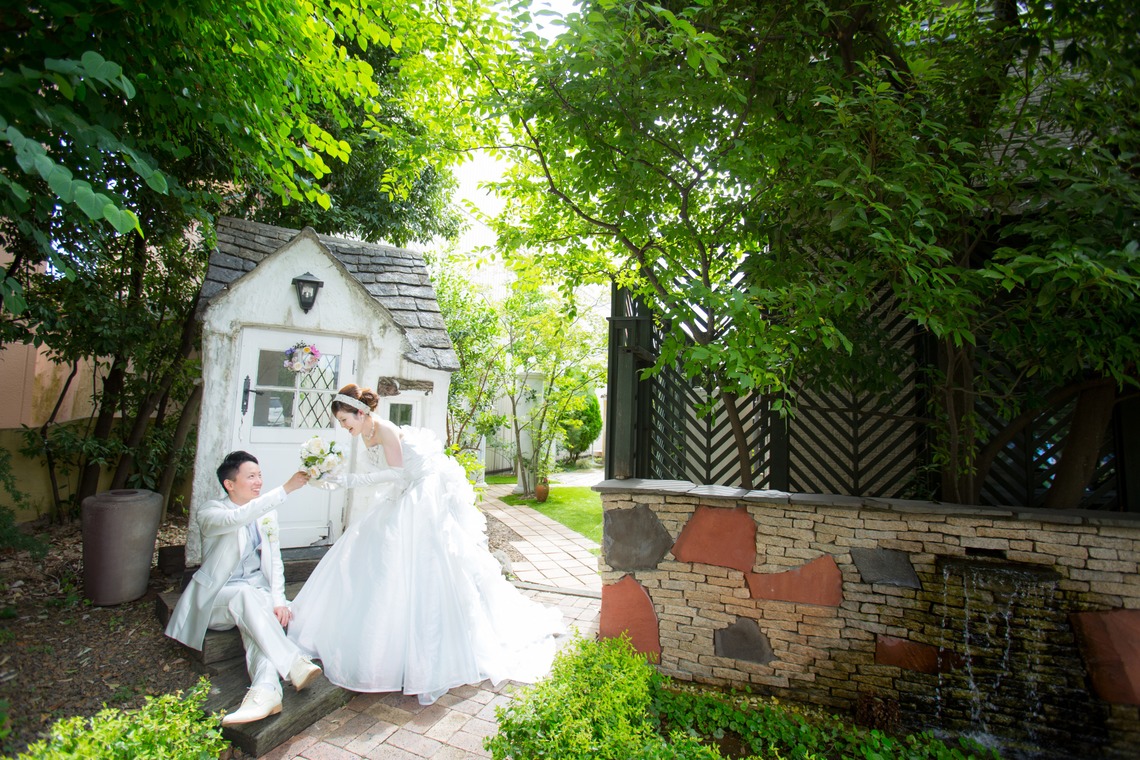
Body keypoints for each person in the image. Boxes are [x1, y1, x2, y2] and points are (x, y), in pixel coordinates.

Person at [287, 384, 565, 705]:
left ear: (360, 413)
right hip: (403, 492)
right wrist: (329, 478)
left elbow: (395, 474)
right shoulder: (364, 434)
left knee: (421, 560)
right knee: (370, 551)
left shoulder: (385, 429)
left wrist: (346, 481)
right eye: (340, 422)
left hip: (422, 493)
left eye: (345, 420)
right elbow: (387, 478)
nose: (343, 426)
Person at [165, 451, 323, 726]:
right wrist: (285, 489)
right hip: (216, 599)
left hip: (254, 596)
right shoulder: (211, 512)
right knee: (246, 596)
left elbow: (275, 561)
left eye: (260, 475)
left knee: (258, 623)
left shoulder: (266, 514)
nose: (258, 481)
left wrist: (279, 600)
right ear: (230, 484)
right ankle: (293, 661)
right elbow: (235, 519)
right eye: (251, 476)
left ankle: (266, 692)